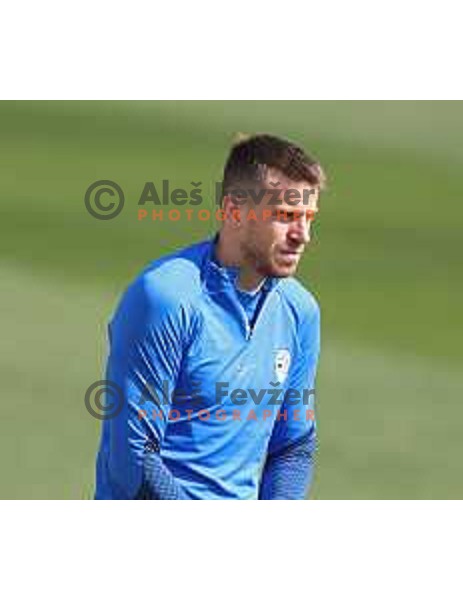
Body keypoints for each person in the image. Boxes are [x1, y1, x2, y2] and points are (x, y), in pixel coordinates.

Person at [94, 134, 325, 499]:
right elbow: (135, 461)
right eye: (286, 216)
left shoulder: (300, 312)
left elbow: (292, 446)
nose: (303, 235)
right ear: (235, 212)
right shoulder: (166, 298)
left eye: (308, 218)